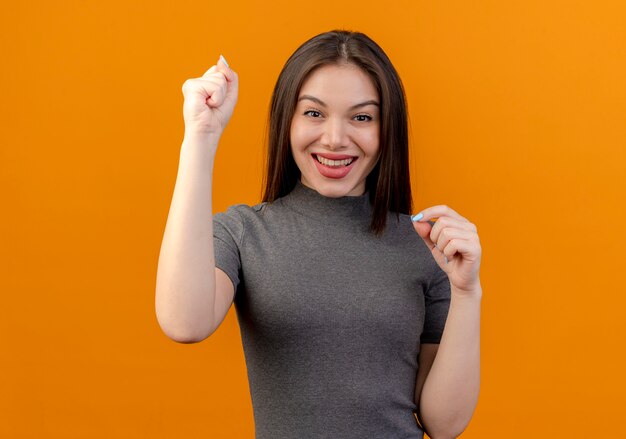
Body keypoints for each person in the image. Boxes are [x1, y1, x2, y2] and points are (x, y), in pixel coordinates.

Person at [156, 30, 482, 439]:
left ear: (387, 130)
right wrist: (200, 139)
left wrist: (468, 293)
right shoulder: (244, 234)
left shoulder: (426, 248)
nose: (334, 139)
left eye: (362, 117)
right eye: (313, 113)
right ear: (286, 121)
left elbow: (445, 424)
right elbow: (183, 322)